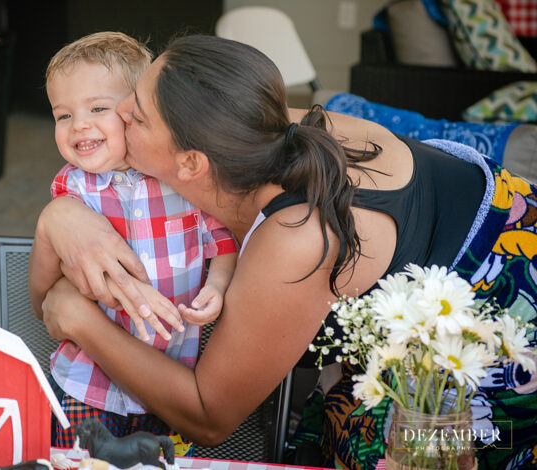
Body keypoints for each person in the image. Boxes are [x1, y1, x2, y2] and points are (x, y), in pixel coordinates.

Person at [30, 34, 537, 469]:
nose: (116, 113)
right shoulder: (255, 129)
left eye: (135, 114)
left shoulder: (297, 236)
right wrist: (59, 217)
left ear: (190, 164)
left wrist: (78, 316)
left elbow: (210, 414)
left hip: (506, 355)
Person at [35, 32, 238, 451]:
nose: (80, 126)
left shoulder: (181, 180)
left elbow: (221, 240)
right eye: (63, 115)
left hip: (171, 380)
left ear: (136, 113)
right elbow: (46, 288)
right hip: (85, 384)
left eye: (98, 108)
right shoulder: (73, 188)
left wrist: (216, 287)